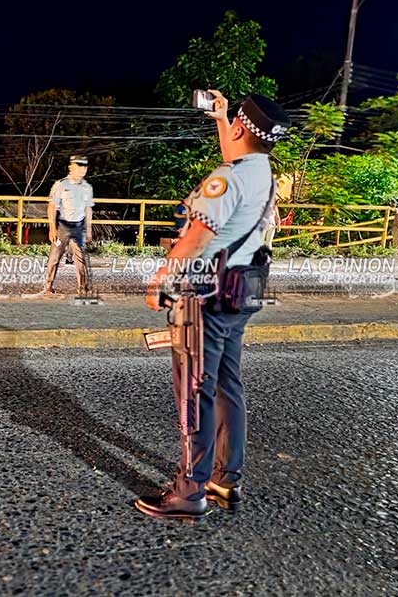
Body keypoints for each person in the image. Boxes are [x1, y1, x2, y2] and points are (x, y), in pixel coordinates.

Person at [138, 91, 291, 518]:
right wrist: (223, 119)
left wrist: (159, 281)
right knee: (228, 386)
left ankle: (189, 493)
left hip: (205, 297)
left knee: (194, 390)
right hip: (240, 293)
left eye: (234, 123)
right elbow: (237, 154)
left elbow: (195, 240)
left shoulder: (227, 179)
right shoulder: (261, 171)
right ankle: (226, 479)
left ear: (244, 128)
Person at [43, 155, 94, 295]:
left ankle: (82, 288)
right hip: (63, 227)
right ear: (71, 167)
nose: (82, 169)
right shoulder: (61, 185)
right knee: (54, 257)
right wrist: (52, 228)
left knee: (81, 260)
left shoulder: (86, 187)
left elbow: (88, 209)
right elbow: (52, 206)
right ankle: (48, 286)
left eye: (84, 166)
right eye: (79, 166)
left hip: (78, 228)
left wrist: (88, 230)